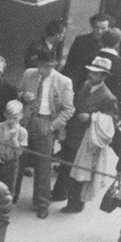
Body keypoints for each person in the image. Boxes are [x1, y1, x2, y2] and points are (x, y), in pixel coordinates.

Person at [14, 48, 74, 218]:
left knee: (43, 165)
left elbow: (69, 109)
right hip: (26, 121)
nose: (43, 70)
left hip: (46, 122)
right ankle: (11, 196)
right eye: (40, 66)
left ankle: (41, 203)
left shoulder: (64, 82)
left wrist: (52, 126)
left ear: (54, 64)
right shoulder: (28, 74)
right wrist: (23, 95)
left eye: (47, 67)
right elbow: (18, 92)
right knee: (19, 159)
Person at [58, 58, 120, 213]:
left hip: (86, 140)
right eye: (90, 71)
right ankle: (60, 193)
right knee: (66, 166)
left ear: (103, 76)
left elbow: (112, 120)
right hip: (72, 133)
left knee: (79, 172)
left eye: (95, 73)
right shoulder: (86, 86)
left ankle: (75, 204)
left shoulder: (108, 97)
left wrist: (92, 118)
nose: (91, 74)